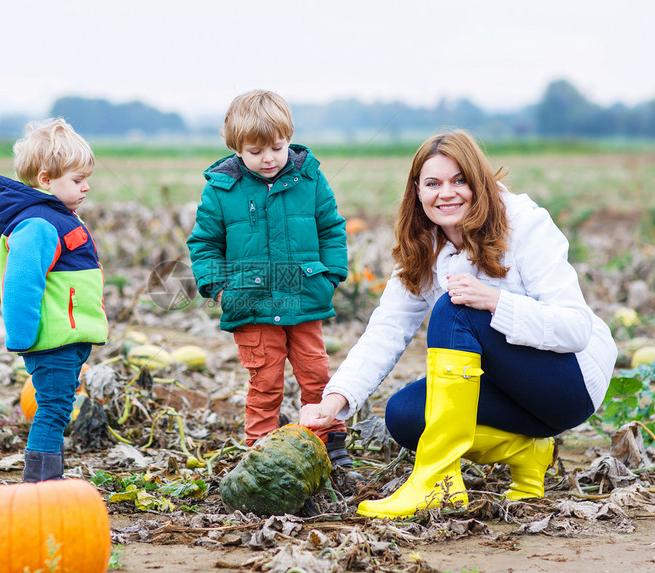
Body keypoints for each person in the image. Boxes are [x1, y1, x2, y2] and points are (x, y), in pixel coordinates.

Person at [299, 129, 617, 517]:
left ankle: (436, 483)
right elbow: (387, 329)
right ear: (417, 190)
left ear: (478, 183)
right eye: (433, 183)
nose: (445, 193)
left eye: (459, 181)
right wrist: (334, 401)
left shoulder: (524, 224)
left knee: (457, 307)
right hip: (503, 386)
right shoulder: (422, 245)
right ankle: (527, 450)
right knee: (406, 415)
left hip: (568, 382)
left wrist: (496, 301)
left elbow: (575, 329)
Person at [186, 90, 353, 466]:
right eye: (255, 151)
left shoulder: (310, 179)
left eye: (277, 147)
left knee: (316, 375)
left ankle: (331, 442)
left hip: (305, 299)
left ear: (288, 139)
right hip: (250, 304)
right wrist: (220, 290)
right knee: (264, 381)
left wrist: (331, 277)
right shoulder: (221, 189)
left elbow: (331, 230)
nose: (268, 158)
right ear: (236, 148)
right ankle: (260, 451)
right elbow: (205, 244)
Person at [0, 117, 109, 482]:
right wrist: (22, 337)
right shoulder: (39, 224)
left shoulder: (56, 217)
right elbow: (21, 283)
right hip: (50, 340)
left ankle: (46, 481)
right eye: (77, 180)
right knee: (54, 409)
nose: (86, 187)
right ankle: (41, 484)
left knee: (57, 406)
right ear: (45, 179)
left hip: (66, 338)